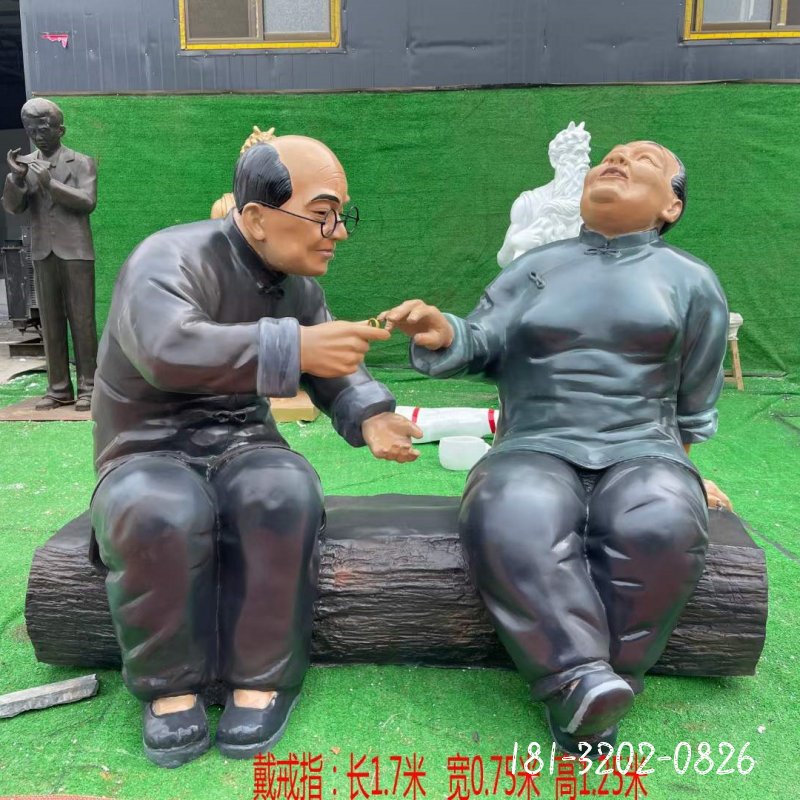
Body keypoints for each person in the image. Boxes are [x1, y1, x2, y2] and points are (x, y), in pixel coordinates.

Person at [380, 141, 729, 755]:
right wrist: (444, 331)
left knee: (662, 518)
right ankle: (580, 681)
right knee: (512, 508)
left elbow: (694, 396)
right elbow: (482, 337)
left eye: (644, 160)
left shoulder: (692, 280)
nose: (619, 160)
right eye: (612, 155)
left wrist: (687, 469)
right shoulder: (535, 268)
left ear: (671, 207)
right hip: (536, 441)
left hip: (643, 445)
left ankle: (611, 680)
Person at [90, 136, 421, 768]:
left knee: (282, 493)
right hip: (147, 445)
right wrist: (294, 348)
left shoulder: (296, 284)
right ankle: (169, 687)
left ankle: (263, 676)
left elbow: (331, 363)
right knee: (158, 509)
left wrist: (370, 413)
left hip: (244, 440)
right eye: (322, 214)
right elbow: (167, 350)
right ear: (256, 217)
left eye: (340, 215)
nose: (337, 233)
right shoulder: (166, 257)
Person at [2, 98, 98, 411]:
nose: (38, 135)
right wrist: (16, 179)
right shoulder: (25, 165)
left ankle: (90, 386)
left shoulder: (81, 162)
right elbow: (13, 208)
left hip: (77, 252)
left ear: (61, 129)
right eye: (32, 129)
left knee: (82, 320)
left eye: (44, 128)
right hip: (43, 251)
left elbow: (87, 201)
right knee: (51, 321)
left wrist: (50, 183)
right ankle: (58, 389)